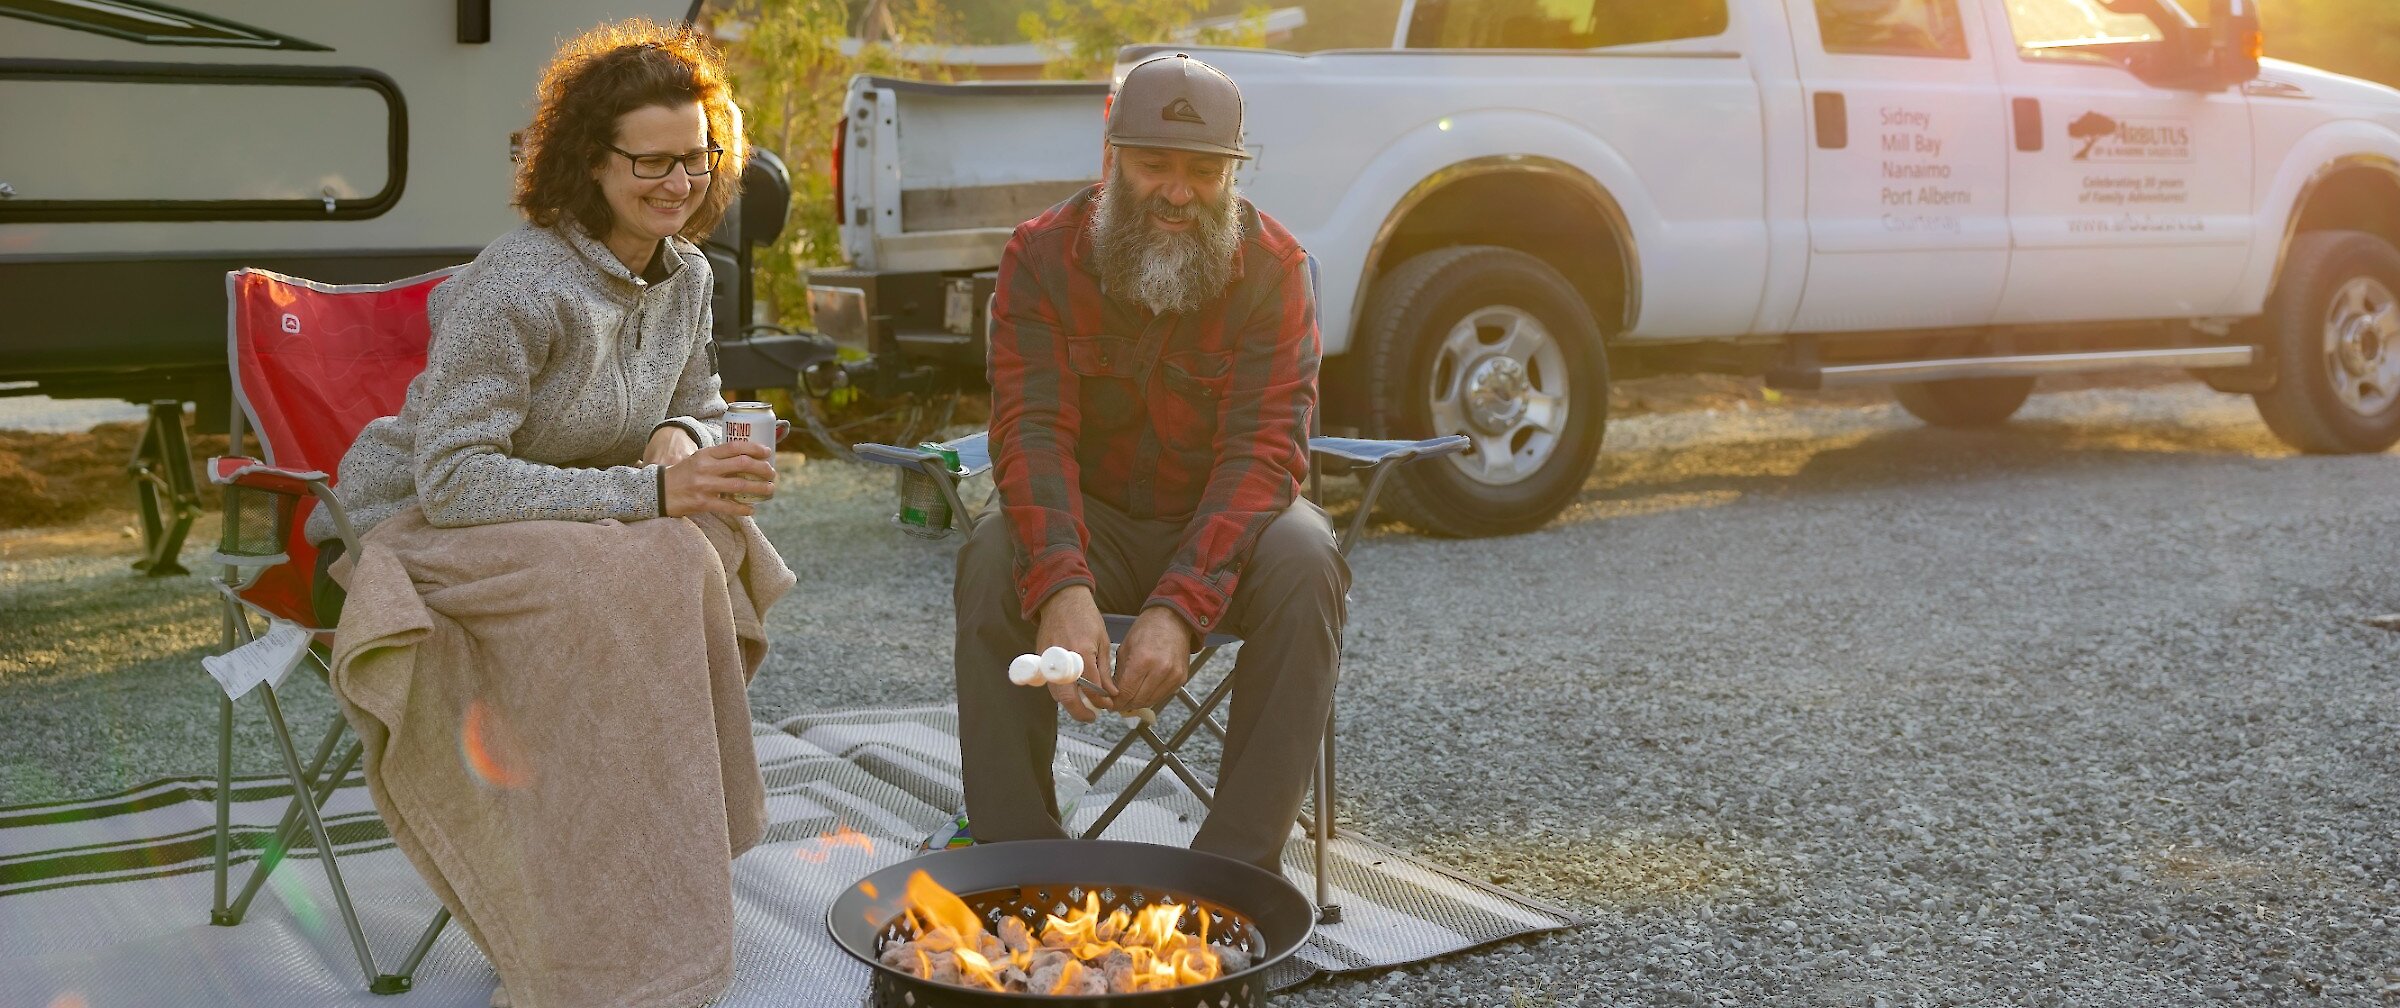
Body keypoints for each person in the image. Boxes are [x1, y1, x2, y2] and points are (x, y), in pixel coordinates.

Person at [306, 20, 792, 1008]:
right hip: (424, 526)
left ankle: (656, 851)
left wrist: (684, 444)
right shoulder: (519, 286)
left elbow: (695, 402)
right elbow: (454, 480)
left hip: (572, 515)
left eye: (697, 157)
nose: (679, 183)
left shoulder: (687, 275)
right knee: (655, 560)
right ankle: (590, 924)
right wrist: (647, 490)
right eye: (651, 161)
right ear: (588, 161)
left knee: (706, 539)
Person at [953, 52, 1346, 878]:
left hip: (1223, 532)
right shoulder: (1040, 256)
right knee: (991, 555)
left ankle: (1235, 875)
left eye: (1203, 170)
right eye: (1153, 164)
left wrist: (1181, 606)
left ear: (1232, 175)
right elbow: (1030, 431)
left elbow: (1267, 450)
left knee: (1309, 553)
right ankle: (1019, 862)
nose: (1177, 190)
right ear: (1111, 157)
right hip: (1092, 527)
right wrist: (1061, 584)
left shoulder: (1275, 269)